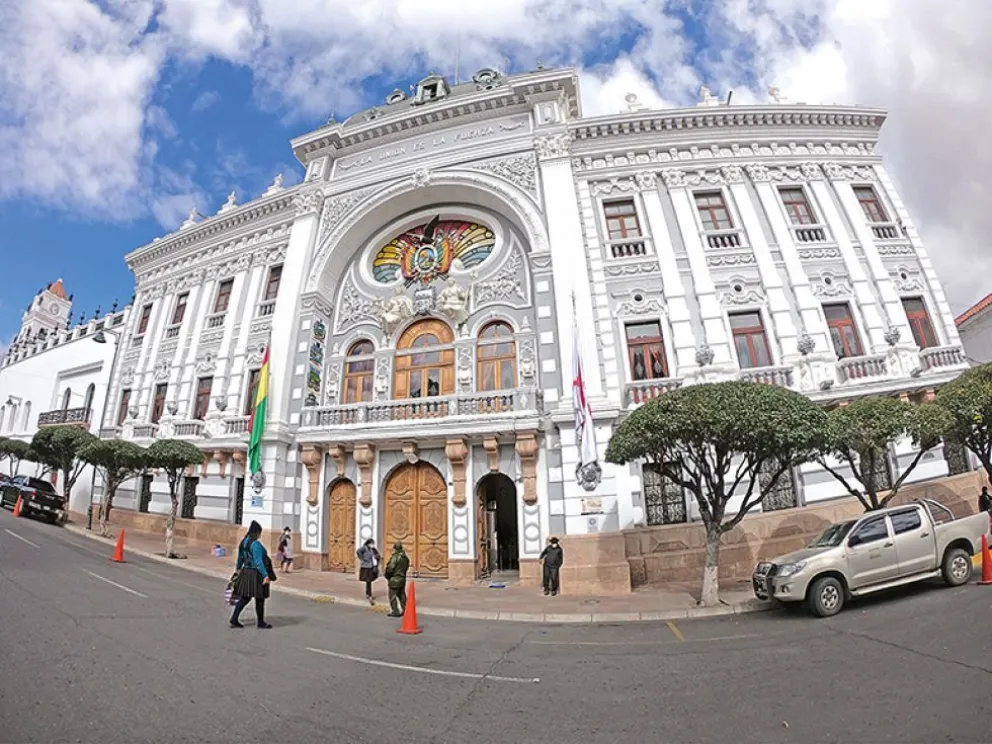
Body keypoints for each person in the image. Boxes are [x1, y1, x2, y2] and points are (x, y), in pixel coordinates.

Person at [229, 521, 274, 629]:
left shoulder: (244, 542)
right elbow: (259, 562)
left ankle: (234, 618)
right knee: (260, 598)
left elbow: (240, 558)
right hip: (256, 573)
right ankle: (261, 622)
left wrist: (238, 569)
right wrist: (265, 575)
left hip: (246, 572)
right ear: (257, 532)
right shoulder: (256, 544)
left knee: (245, 597)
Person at [383, 541, 410, 618]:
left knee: (393, 596)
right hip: (402, 578)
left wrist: (387, 575)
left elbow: (390, 568)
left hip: (394, 579)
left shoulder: (395, 557)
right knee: (402, 595)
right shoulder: (405, 558)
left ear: (395, 548)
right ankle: (406, 610)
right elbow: (406, 567)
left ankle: (395, 611)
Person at [356, 538, 381, 605]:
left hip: (372, 567)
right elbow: (358, 552)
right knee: (368, 581)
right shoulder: (364, 548)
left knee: (369, 581)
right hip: (366, 567)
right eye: (371, 544)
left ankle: (368, 593)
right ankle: (369, 595)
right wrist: (362, 559)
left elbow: (378, 555)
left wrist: (376, 557)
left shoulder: (373, 549)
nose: (372, 545)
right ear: (368, 543)